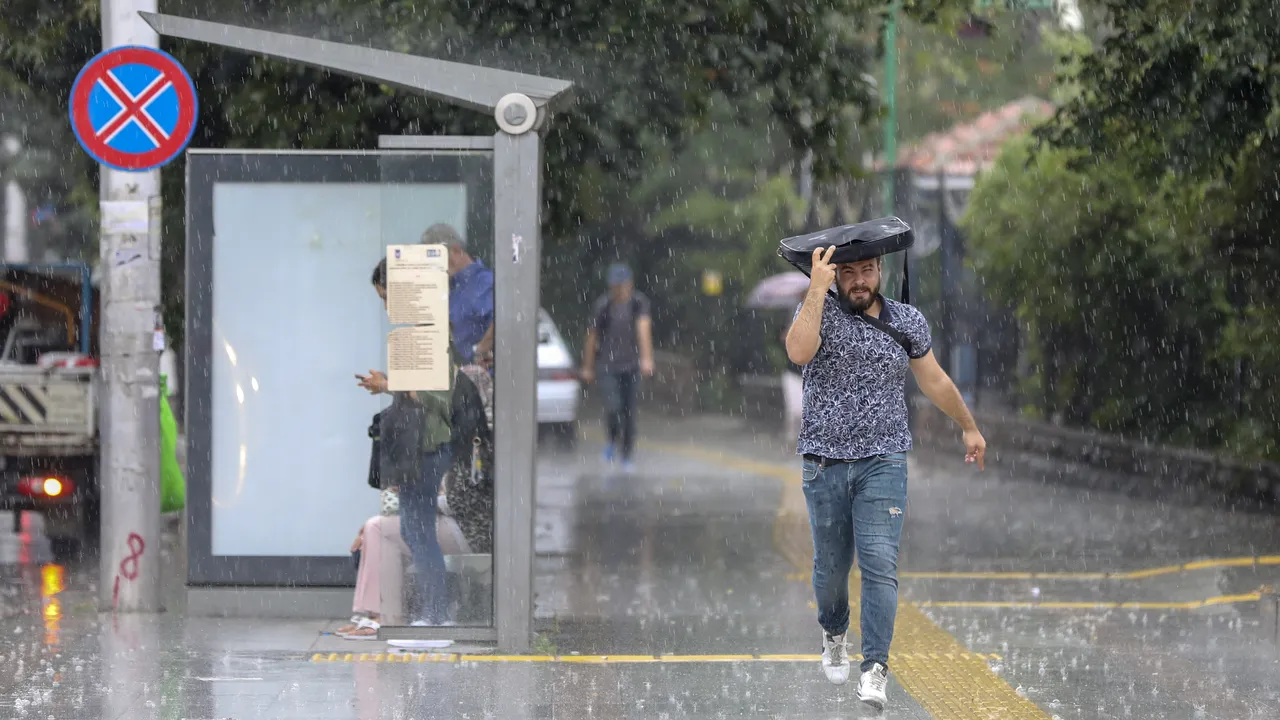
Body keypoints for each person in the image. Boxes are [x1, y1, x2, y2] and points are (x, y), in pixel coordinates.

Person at [784, 246, 986, 710]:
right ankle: (834, 631)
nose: (859, 280)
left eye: (867, 271)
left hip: (884, 460)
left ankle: (875, 667)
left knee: (879, 562)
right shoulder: (816, 311)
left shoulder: (906, 320)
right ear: (835, 275)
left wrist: (969, 426)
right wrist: (816, 290)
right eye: (848, 272)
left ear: (881, 272)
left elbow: (933, 379)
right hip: (824, 461)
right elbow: (798, 351)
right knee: (831, 569)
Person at [357, 258, 455, 626]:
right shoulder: (422, 333)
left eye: (387, 297)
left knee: (418, 531)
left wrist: (388, 384)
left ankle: (436, 616)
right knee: (414, 531)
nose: (386, 307)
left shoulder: (431, 335)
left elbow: (433, 395)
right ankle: (433, 613)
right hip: (421, 448)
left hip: (430, 447)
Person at [580, 263, 655, 472]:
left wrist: (646, 358)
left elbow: (644, 330)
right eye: (615, 286)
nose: (619, 290)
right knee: (613, 408)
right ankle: (612, 440)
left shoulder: (638, 303)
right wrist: (587, 366)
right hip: (608, 365)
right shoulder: (603, 306)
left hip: (631, 366)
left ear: (629, 285)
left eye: (622, 285)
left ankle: (627, 455)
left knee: (630, 412)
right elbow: (592, 336)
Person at [422, 223, 495, 369]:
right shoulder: (447, 286)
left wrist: (481, 350)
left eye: (435, 259)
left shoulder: (485, 282)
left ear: (455, 251)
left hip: (478, 377)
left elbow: (504, 320)